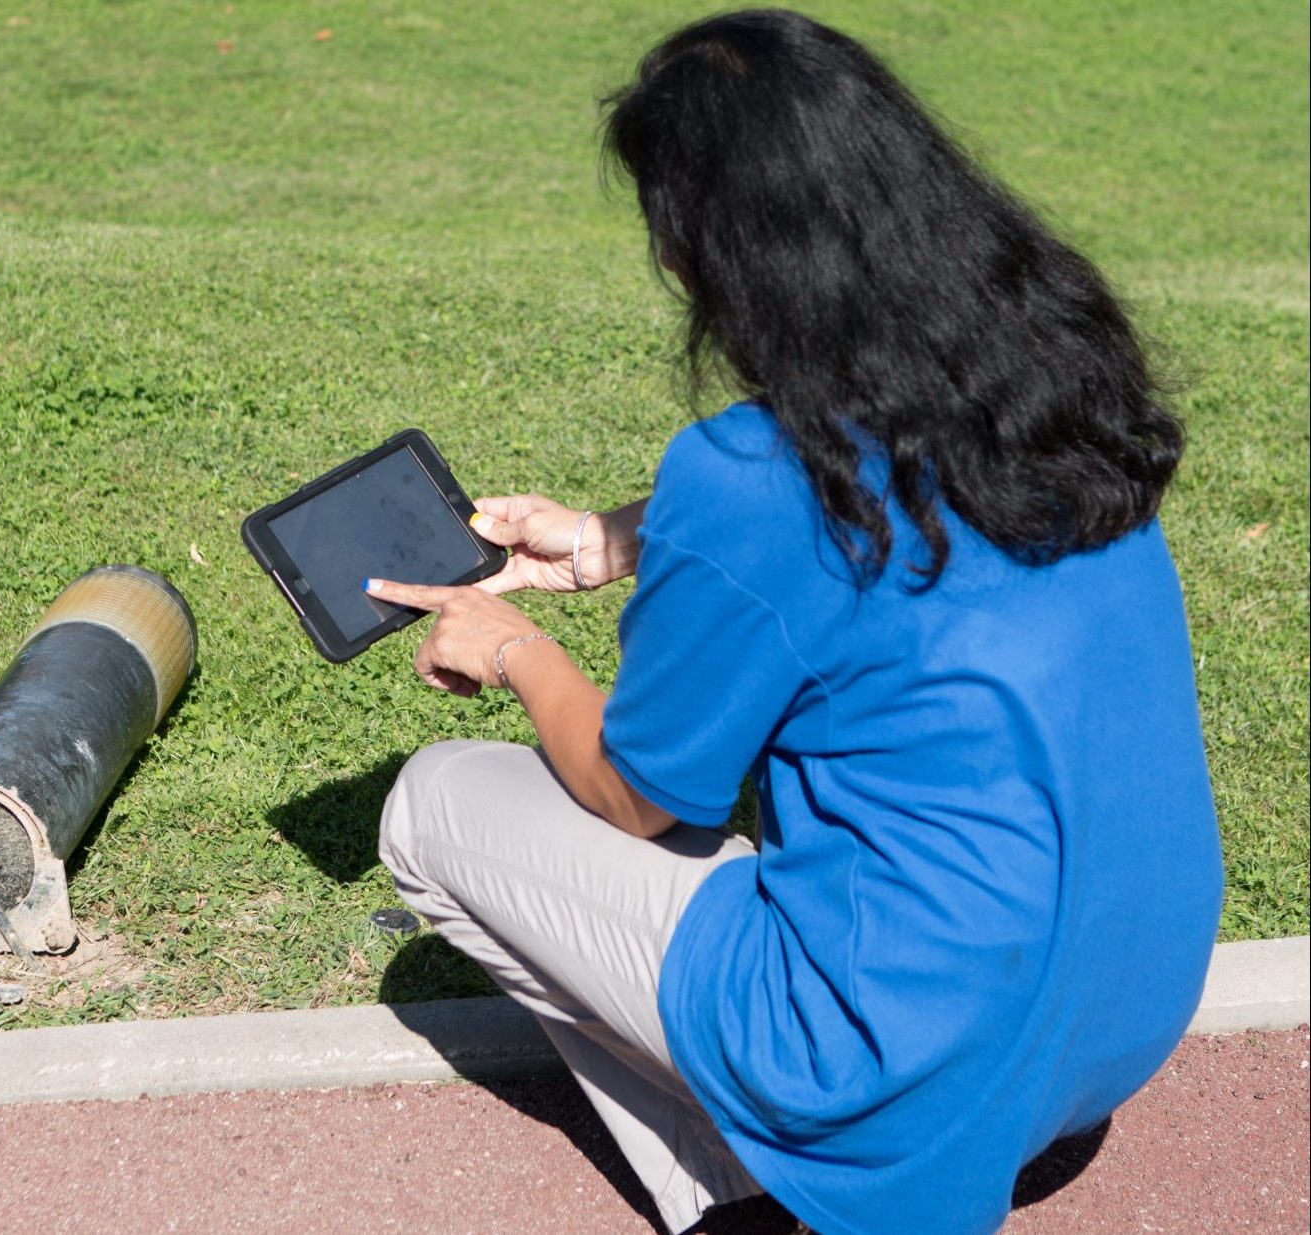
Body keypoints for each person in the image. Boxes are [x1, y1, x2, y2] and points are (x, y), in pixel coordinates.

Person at [367, 10, 1224, 1235]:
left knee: (434, 803)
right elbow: (904, 523)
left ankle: (755, 1192)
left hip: (905, 1054)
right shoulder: (1060, 374)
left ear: (728, 252)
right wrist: (626, 534)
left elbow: (638, 793)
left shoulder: (749, 473)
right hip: (1126, 1009)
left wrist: (510, 648)